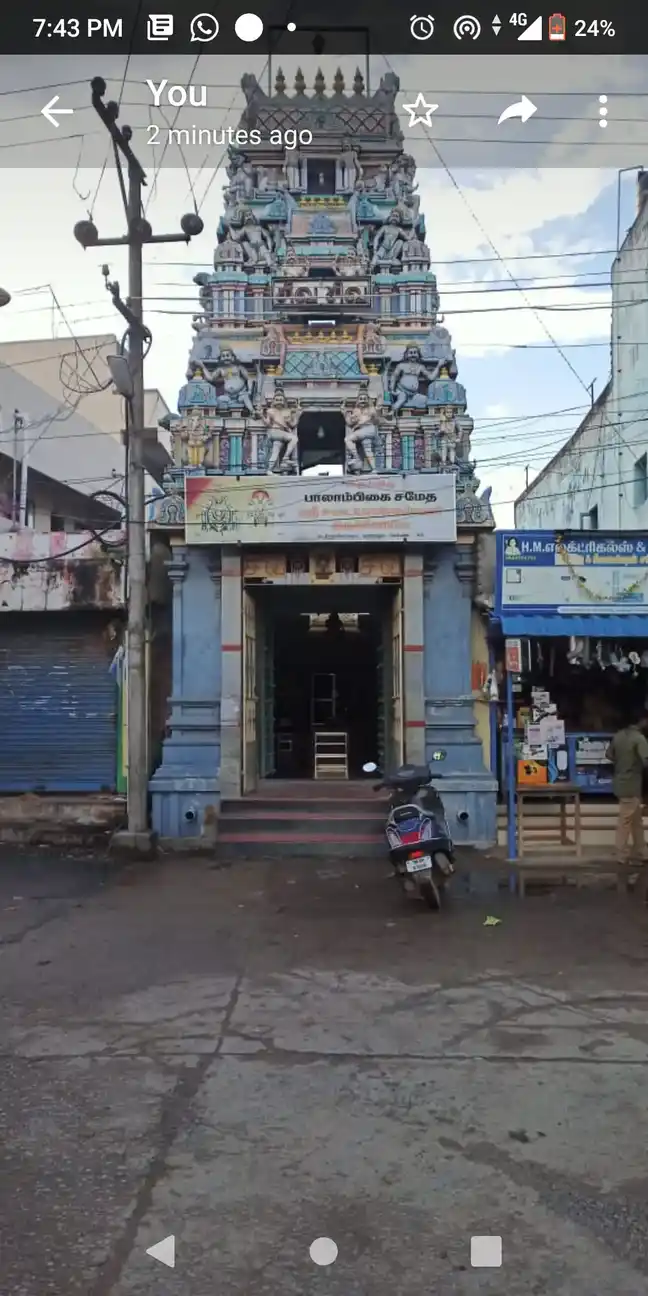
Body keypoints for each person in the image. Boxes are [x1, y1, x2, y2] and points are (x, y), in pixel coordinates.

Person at [606, 713, 648, 886]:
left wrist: (622, 763)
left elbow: (609, 755)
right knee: (626, 820)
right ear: (640, 721)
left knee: (635, 820)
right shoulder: (639, 739)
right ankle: (621, 854)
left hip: (620, 782)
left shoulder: (618, 736)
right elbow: (646, 760)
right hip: (632, 785)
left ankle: (642, 852)